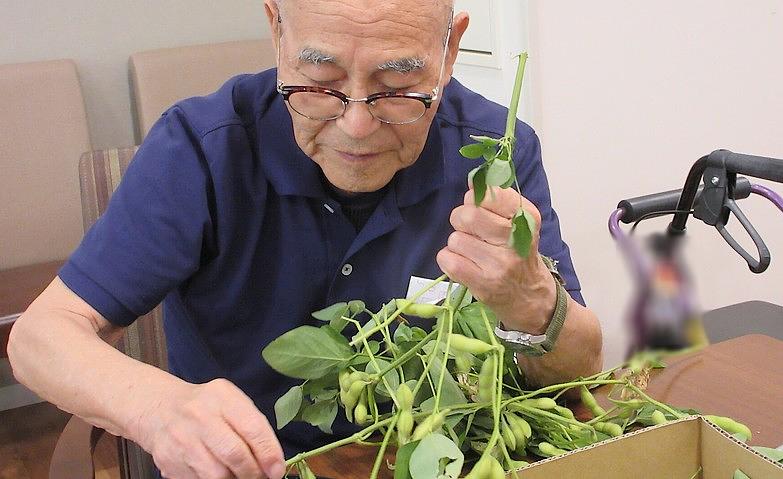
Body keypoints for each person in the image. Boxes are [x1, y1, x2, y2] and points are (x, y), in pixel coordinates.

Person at [8, 0, 603, 477]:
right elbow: (39, 338)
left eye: (399, 85)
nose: (357, 125)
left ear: (449, 51)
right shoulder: (201, 150)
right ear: (276, 32)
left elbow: (583, 365)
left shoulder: (496, 150)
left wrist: (530, 302)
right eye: (320, 81)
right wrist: (158, 408)